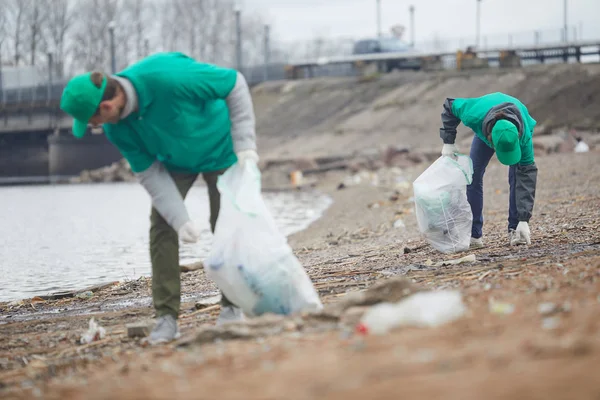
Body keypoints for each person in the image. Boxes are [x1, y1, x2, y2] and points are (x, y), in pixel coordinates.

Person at [59, 52, 258, 344]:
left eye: (92, 120)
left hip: (221, 148)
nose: (94, 127)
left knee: (226, 222)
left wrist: (245, 144)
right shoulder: (116, 128)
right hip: (175, 161)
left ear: (107, 105)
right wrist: (180, 219)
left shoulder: (168, 77)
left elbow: (235, 84)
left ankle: (231, 307)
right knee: (163, 225)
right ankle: (167, 318)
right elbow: (150, 174)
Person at [438, 92, 538, 249]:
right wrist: (448, 141)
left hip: (515, 124)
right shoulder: (473, 114)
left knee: (518, 175)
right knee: (472, 175)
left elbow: (527, 176)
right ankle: (474, 234)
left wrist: (524, 219)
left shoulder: (524, 137)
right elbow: (450, 105)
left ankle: (515, 229)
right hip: (486, 121)